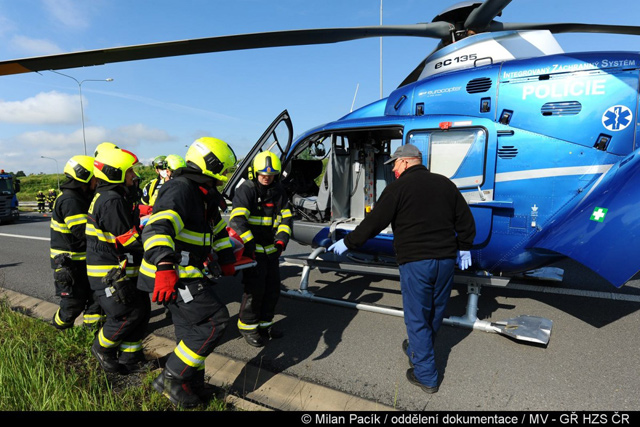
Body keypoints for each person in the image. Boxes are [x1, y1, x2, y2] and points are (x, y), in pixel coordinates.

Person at [328, 144, 476, 394]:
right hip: (445, 261)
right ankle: (419, 351)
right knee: (435, 312)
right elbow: (465, 219)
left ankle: (426, 376)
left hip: (416, 261)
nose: (394, 170)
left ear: (406, 162)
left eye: (395, 164)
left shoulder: (397, 188)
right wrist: (464, 246)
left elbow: (374, 222)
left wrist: (350, 242)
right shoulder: (445, 184)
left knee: (417, 318)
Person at [138, 137, 238, 408]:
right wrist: (166, 267)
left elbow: (216, 231)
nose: (226, 175)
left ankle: (190, 384)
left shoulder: (203, 193)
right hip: (171, 272)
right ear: (212, 166)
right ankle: (171, 378)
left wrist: (227, 258)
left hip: (186, 270)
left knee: (190, 328)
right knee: (214, 320)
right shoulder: (181, 189)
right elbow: (157, 229)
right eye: (225, 169)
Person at [86, 146, 152, 375]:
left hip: (116, 268)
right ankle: (101, 348)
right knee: (126, 314)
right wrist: (156, 242)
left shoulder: (112, 196)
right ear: (115, 173)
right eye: (129, 172)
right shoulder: (111, 200)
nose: (134, 176)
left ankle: (130, 356)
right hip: (108, 271)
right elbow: (129, 239)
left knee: (141, 310)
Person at [228, 150, 293, 347]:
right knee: (254, 290)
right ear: (255, 173)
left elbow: (286, 218)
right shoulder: (247, 189)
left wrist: (282, 240)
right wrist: (250, 246)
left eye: (271, 174)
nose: (266, 178)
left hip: (272, 249)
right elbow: (237, 221)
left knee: (272, 289)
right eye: (262, 174)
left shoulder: (279, 191)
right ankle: (247, 327)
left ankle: (265, 324)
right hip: (253, 250)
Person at [50, 155, 104, 330]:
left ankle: (91, 333)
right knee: (72, 305)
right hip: (70, 263)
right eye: (95, 177)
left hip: (83, 261)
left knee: (96, 300)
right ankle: (58, 329)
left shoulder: (80, 197)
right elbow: (83, 232)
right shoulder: (70, 200)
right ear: (85, 176)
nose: (97, 181)